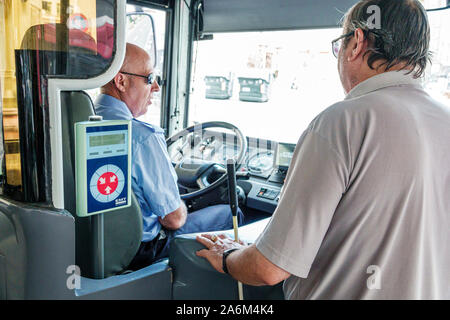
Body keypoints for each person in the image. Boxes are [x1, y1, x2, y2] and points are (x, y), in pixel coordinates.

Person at [196, 0, 449, 299]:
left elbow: (268, 268)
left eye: (338, 45)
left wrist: (228, 256)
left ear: (356, 43)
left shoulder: (341, 122)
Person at [94, 43, 243, 270]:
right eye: (149, 77)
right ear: (121, 81)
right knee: (229, 213)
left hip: (98, 243)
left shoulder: (85, 121)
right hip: (142, 249)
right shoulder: (142, 137)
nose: (155, 87)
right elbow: (173, 219)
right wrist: (182, 205)